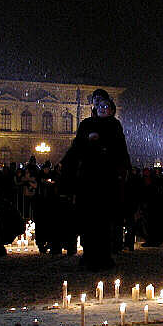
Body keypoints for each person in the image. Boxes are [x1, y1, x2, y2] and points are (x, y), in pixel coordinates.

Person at [63, 96, 129, 270]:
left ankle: (103, 256)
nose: (102, 108)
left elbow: (120, 151)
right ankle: (88, 255)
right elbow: (76, 147)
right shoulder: (86, 124)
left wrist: (102, 147)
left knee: (104, 221)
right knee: (88, 220)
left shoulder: (114, 126)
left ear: (112, 109)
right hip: (88, 180)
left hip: (106, 180)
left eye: (106, 106)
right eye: (99, 105)